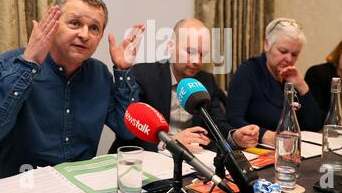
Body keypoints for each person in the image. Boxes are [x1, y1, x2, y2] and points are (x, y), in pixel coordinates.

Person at [0, 0, 145, 179]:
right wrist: (28, 65)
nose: (85, 35)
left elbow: (126, 130)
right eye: (75, 23)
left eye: (94, 28)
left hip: (80, 186)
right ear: (53, 25)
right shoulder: (10, 63)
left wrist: (123, 71)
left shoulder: (99, 74)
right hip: (22, 183)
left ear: (100, 38)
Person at [109, 18, 259, 153]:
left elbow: (216, 123)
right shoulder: (144, 75)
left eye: (203, 54)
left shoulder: (206, 81)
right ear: (171, 47)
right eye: (190, 51)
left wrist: (234, 136)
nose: (197, 61)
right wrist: (168, 143)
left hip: (189, 161)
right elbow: (131, 131)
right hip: (148, 158)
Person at [226, 18, 322, 147]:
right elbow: (232, 119)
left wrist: (302, 86)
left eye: (294, 54)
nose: (288, 59)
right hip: (257, 149)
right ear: (267, 45)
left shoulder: (292, 77)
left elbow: (314, 124)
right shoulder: (249, 71)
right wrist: (264, 135)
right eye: (283, 51)